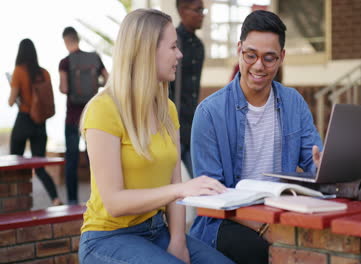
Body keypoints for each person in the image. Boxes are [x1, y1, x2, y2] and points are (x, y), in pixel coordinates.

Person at [78, 9, 235, 264]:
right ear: (147, 50)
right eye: (173, 47)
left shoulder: (166, 109)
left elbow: (175, 187)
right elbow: (115, 202)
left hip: (157, 231)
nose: (180, 54)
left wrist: (178, 241)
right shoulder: (103, 110)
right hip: (108, 238)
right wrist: (180, 189)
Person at [189, 10, 323, 264]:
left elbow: (314, 160)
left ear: (282, 57)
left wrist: (324, 164)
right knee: (267, 252)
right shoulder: (209, 113)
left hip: (278, 213)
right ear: (239, 49)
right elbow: (211, 198)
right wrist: (264, 227)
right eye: (251, 55)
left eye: (269, 58)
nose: (259, 66)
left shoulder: (293, 102)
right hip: (225, 221)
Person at [8, 38, 63, 206]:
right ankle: (55, 198)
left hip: (24, 119)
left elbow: (11, 101)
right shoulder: (44, 73)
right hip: (40, 122)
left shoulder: (19, 71)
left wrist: (13, 89)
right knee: (39, 166)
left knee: (14, 161)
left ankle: (13, 201)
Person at [59, 26, 109, 205]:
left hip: (73, 117)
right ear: (77, 39)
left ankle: (72, 201)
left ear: (66, 41)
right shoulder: (94, 57)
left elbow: (64, 88)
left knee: (71, 159)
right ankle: (99, 197)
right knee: (95, 158)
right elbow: (108, 79)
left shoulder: (65, 62)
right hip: (92, 115)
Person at [169, 0, 206, 178]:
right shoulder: (172, 43)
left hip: (192, 124)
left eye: (203, 10)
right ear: (183, 11)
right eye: (198, 10)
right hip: (170, 123)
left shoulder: (199, 46)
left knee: (196, 178)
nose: (202, 15)